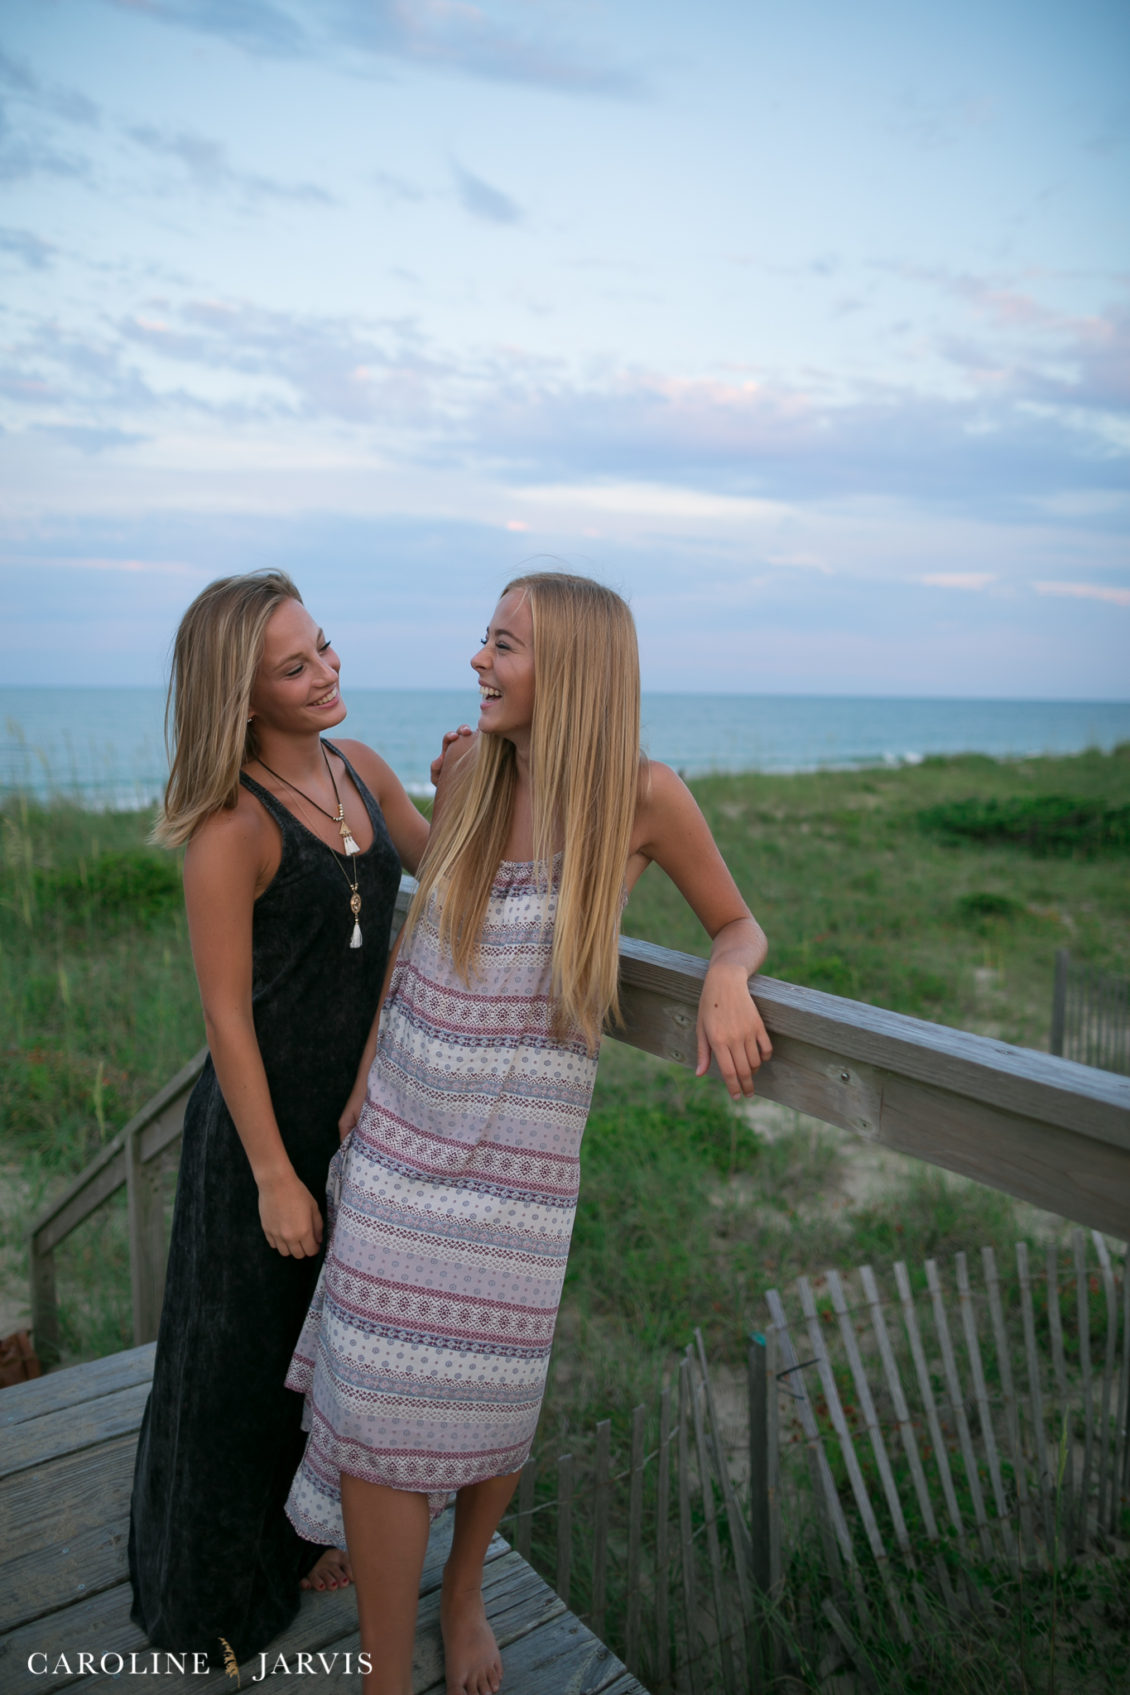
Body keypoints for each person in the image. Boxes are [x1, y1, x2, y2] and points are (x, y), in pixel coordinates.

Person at [284, 571, 772, 1695]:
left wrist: (725, 981)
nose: (478, 662)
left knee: (493, 1387)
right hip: (404, 1132)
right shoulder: (466, 773)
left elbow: (736, 922)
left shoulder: (644, 798)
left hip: (522, 1158)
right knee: (381, 1386)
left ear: (574, 675)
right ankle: (382, 1675)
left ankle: (462, 1597)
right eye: (485, 640)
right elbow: (412, 945)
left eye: (501, 645)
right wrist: (364, 1085)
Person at [128, 569, 443, 1663]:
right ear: (242, 693)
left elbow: (445, 861)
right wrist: (270, 1173)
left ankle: (306, 1532)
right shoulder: (230, 826)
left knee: (337, 1348)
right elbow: (224, 1016)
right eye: (294, 666)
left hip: (364, 1115)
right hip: (265, 1133)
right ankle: (219, 1590)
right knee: (246, 1353)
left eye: (325, 648)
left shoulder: (362, 771)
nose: (326, 672)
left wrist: (505, 784)